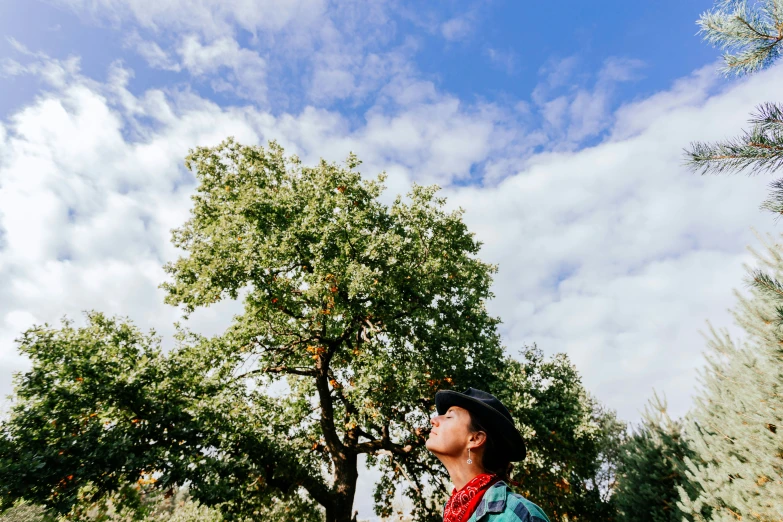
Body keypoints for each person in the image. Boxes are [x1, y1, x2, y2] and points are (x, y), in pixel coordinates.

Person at [426, 387, 550, 522]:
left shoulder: (519, 515)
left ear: (475, 439)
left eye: (449, 416)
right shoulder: (453, 514)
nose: (434, 420)